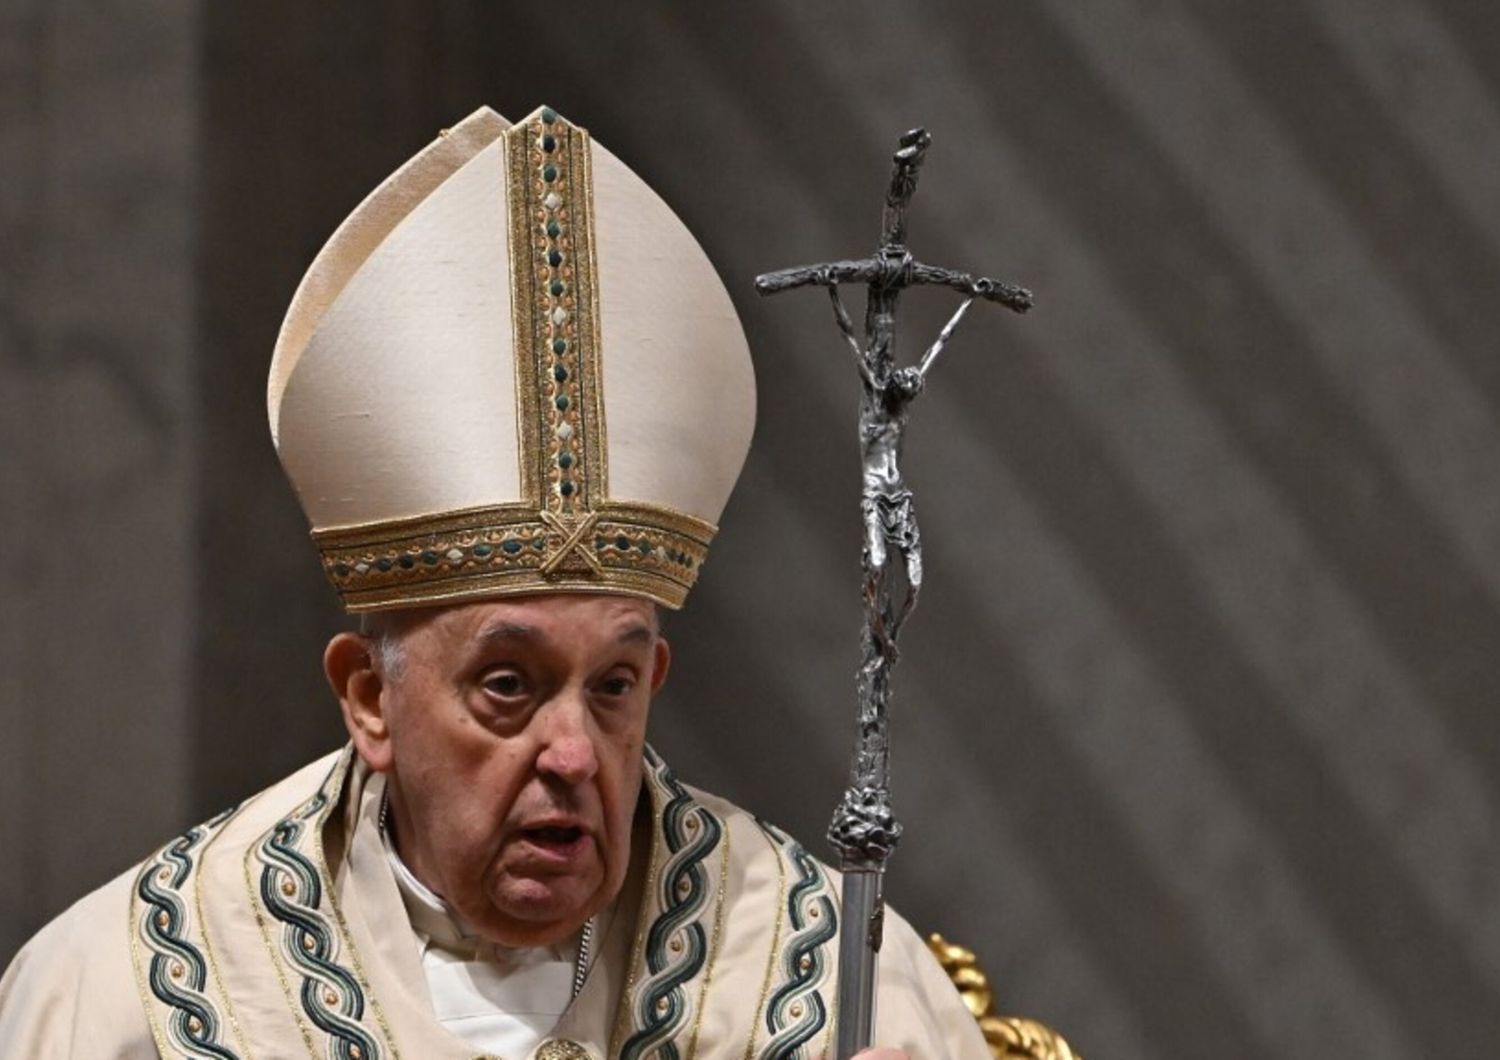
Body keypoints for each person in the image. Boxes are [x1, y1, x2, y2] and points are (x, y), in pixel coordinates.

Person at [0, 104, 990, 1059]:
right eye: (508, 684)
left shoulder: (828, 975)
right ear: (369, 697)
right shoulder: (130, 992)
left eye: (613, 685)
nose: (573, 753)